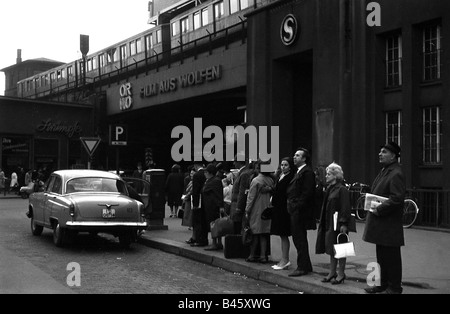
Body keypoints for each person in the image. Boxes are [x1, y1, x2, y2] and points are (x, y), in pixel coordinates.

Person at [363, 142, 406, 294]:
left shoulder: (396, 173)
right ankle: (382, 285)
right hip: (382, 224)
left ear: (393, 156)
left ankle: (394, 288)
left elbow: (397, 199)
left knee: (391, 258)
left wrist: (378, 209)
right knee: (382, 256)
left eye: (384, 152)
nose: (380, 154)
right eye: (380, 151)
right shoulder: (386, 170)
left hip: (389, 224)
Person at [315, 163, 352, 285]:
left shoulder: (342, 189)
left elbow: (345, 207)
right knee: (332, 248)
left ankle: (341, 273)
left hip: (339, 223)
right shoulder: (330, 188)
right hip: (330, 222)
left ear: (335, 176)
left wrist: (344, 223)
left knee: (341, 248)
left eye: (329, 174)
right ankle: (332, 272)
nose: (326, 176)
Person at [286, 148, 317, 277]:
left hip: (300, 212)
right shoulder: (299, 171)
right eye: (294, 155)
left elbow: (307, 192)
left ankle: (302, 267)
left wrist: (296, 206)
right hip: (296, 210)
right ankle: (306, 265)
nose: (294, 157)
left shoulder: (307, 172)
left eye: (297, 155)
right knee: (299, 238)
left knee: (299, 239)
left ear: (304, 158)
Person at [244, 160, 274, 263]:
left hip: (256, 209)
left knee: (255, 233)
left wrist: (247, 210)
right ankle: (263, 256)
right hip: (267, 209)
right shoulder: (271, 180)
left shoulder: (256, 180)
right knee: (264, 234)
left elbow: (251, 197)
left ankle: (252, 255)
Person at [270, 157, 295, 270]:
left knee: (284, 234)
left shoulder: (289, 177)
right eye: (282, 165)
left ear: (290, 166)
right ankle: (283, 259)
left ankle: (285, 259)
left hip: (284, 209)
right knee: (282, 235)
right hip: (279, 208)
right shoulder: (281, 176)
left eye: (285, 165)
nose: (283, 167)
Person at [201, 164, 224, 251]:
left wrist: (220, 206)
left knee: (214, 224)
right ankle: (218, 242)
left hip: (213, 207)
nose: (204, 173)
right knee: (215, 224)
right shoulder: (212, 180)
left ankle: (215, 243)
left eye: (206, 172)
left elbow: (218, 194)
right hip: (211, 206)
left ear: (210, 172)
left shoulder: (214, 181)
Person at [230, 154, 254, 235]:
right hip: (236, 204)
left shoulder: (244, 174)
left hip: (238, 206)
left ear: (238, 162)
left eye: (235, 161)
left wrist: (239, 208)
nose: (233, 163)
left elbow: (242, 192)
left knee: (238, 228)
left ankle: (238, 246)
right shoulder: (242, 172)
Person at [190, 161, 207, 247]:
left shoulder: (196, 175)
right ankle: (203, 239)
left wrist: (195, 203)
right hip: (205, 200)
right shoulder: (205, 173)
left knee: (197, 221)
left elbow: (195, 190)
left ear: (196, 166)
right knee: (203, 220)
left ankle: (198, 239)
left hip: (199, 200)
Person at [183, 167, 196, 244]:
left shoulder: (194, 182)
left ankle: (194, 237)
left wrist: (186, 196)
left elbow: (191, 191)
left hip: (191, 201)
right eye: (190, 173)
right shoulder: (190, 181)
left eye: (192, 173)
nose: (191, 175)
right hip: (188, 200)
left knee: (191, 216)